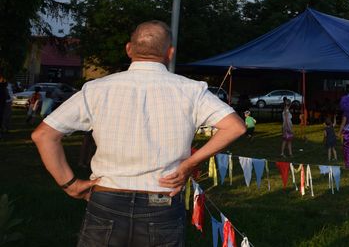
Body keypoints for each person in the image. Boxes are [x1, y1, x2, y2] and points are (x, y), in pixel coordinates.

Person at [31, 20, 244, 246]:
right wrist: (189, 164)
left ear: (129, 49)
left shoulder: (97, 89)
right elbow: (235, 126)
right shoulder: (191, 90)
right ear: (169, 53)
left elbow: (44, 135)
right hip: (161, 203)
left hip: (106, 198)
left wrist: (70, 184)